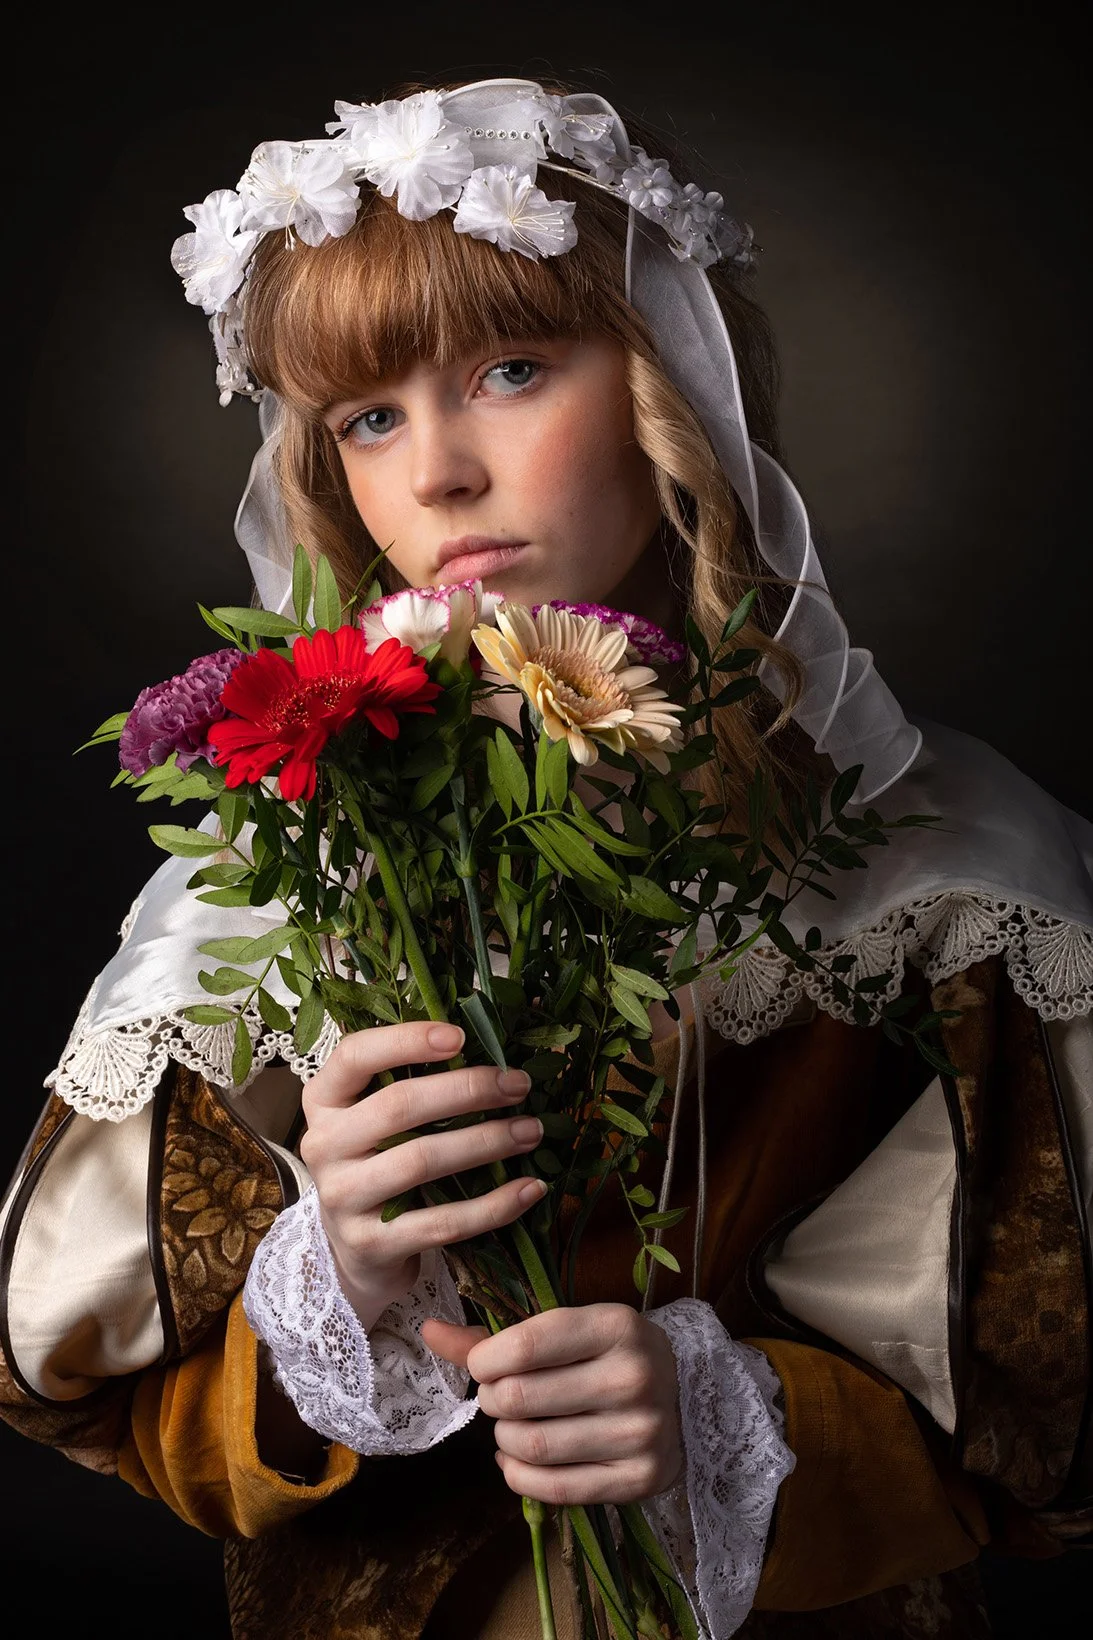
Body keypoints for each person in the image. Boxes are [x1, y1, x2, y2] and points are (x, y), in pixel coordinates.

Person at [2, 72, 1091, 1640]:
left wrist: (734, 1424)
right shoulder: (274, 898)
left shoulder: (939, 871)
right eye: (371, 415)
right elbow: (98, 1391)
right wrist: (335, 1290)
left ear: (668, 391)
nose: (437, 471)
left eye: (511, 367)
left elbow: (1041, 1401)